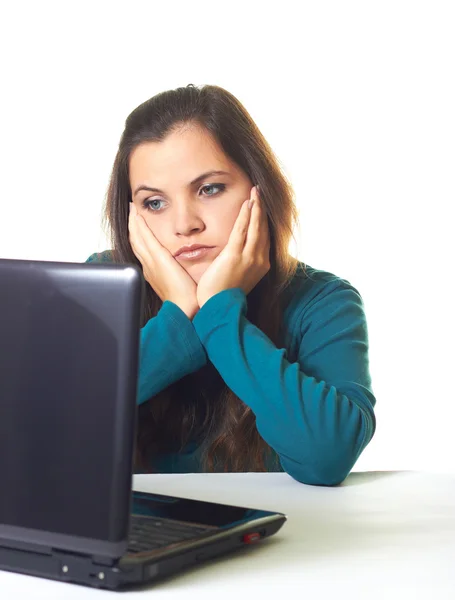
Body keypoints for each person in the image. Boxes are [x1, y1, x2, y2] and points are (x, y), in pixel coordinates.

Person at [86, 84, 376, 486]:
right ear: (132, 216)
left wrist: (220, 311)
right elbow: (45, 423)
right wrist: (177, 316)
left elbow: (327, 456)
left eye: (209, 189)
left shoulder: (322, 301)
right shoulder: (106, 285)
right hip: (137, 542)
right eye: (155, 202)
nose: (184, 224)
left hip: (281, 541)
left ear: (260, 190)